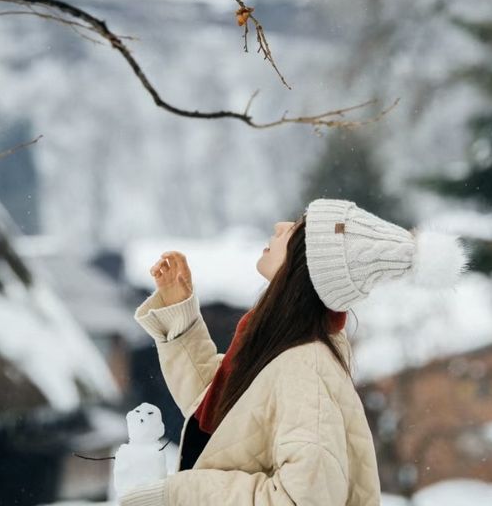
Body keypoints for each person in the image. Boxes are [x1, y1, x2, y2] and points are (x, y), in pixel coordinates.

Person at [120, 198, 470, 506]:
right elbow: (229, 425)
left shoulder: (306, 368)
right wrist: (181, 319)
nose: (280, 226)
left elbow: (302, 500)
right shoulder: (286, 348)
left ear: (305, 267)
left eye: (298, 228)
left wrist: (178, 496)